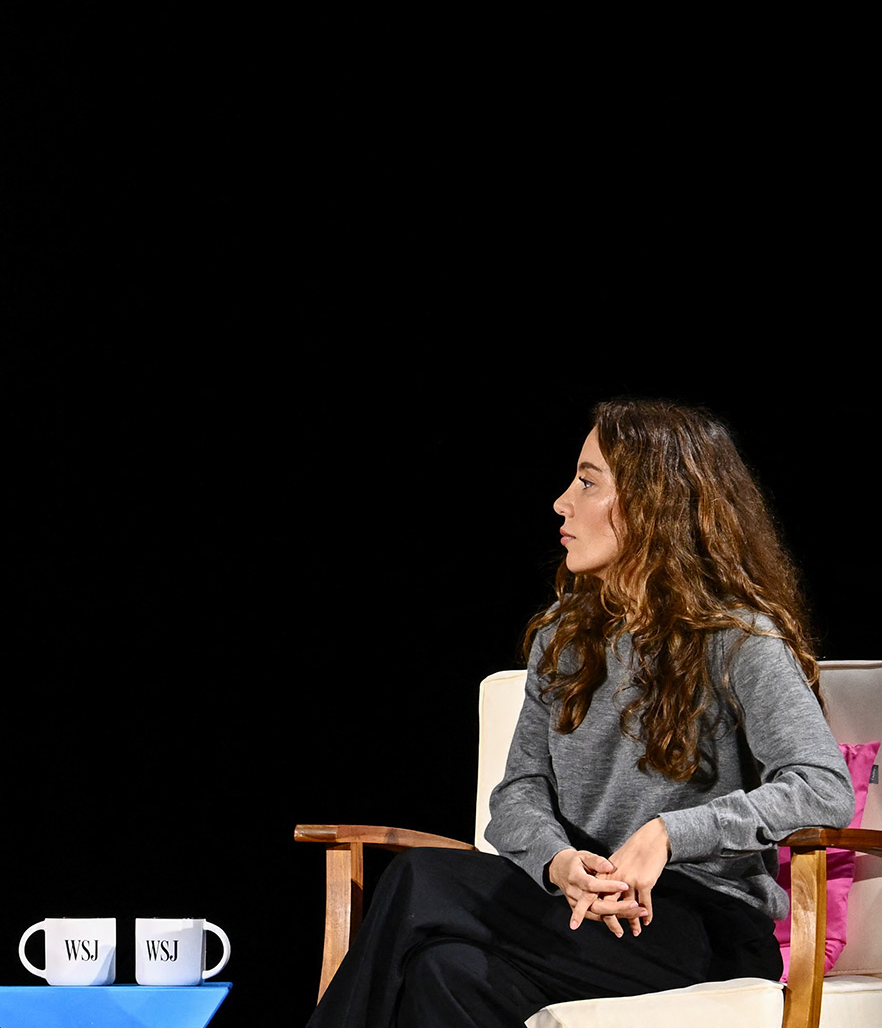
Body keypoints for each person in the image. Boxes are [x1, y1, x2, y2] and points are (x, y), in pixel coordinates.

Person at [308, 399, 854, 1027]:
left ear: (653, 503)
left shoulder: (738, 639)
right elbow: (519, 792)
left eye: (588, 482)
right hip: (576, 914)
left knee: (418, 880)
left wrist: (668, 834)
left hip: (702, 927)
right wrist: (559, 863)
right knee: (446, 971)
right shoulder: (562, 640)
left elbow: (823, 788)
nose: (561, 502)